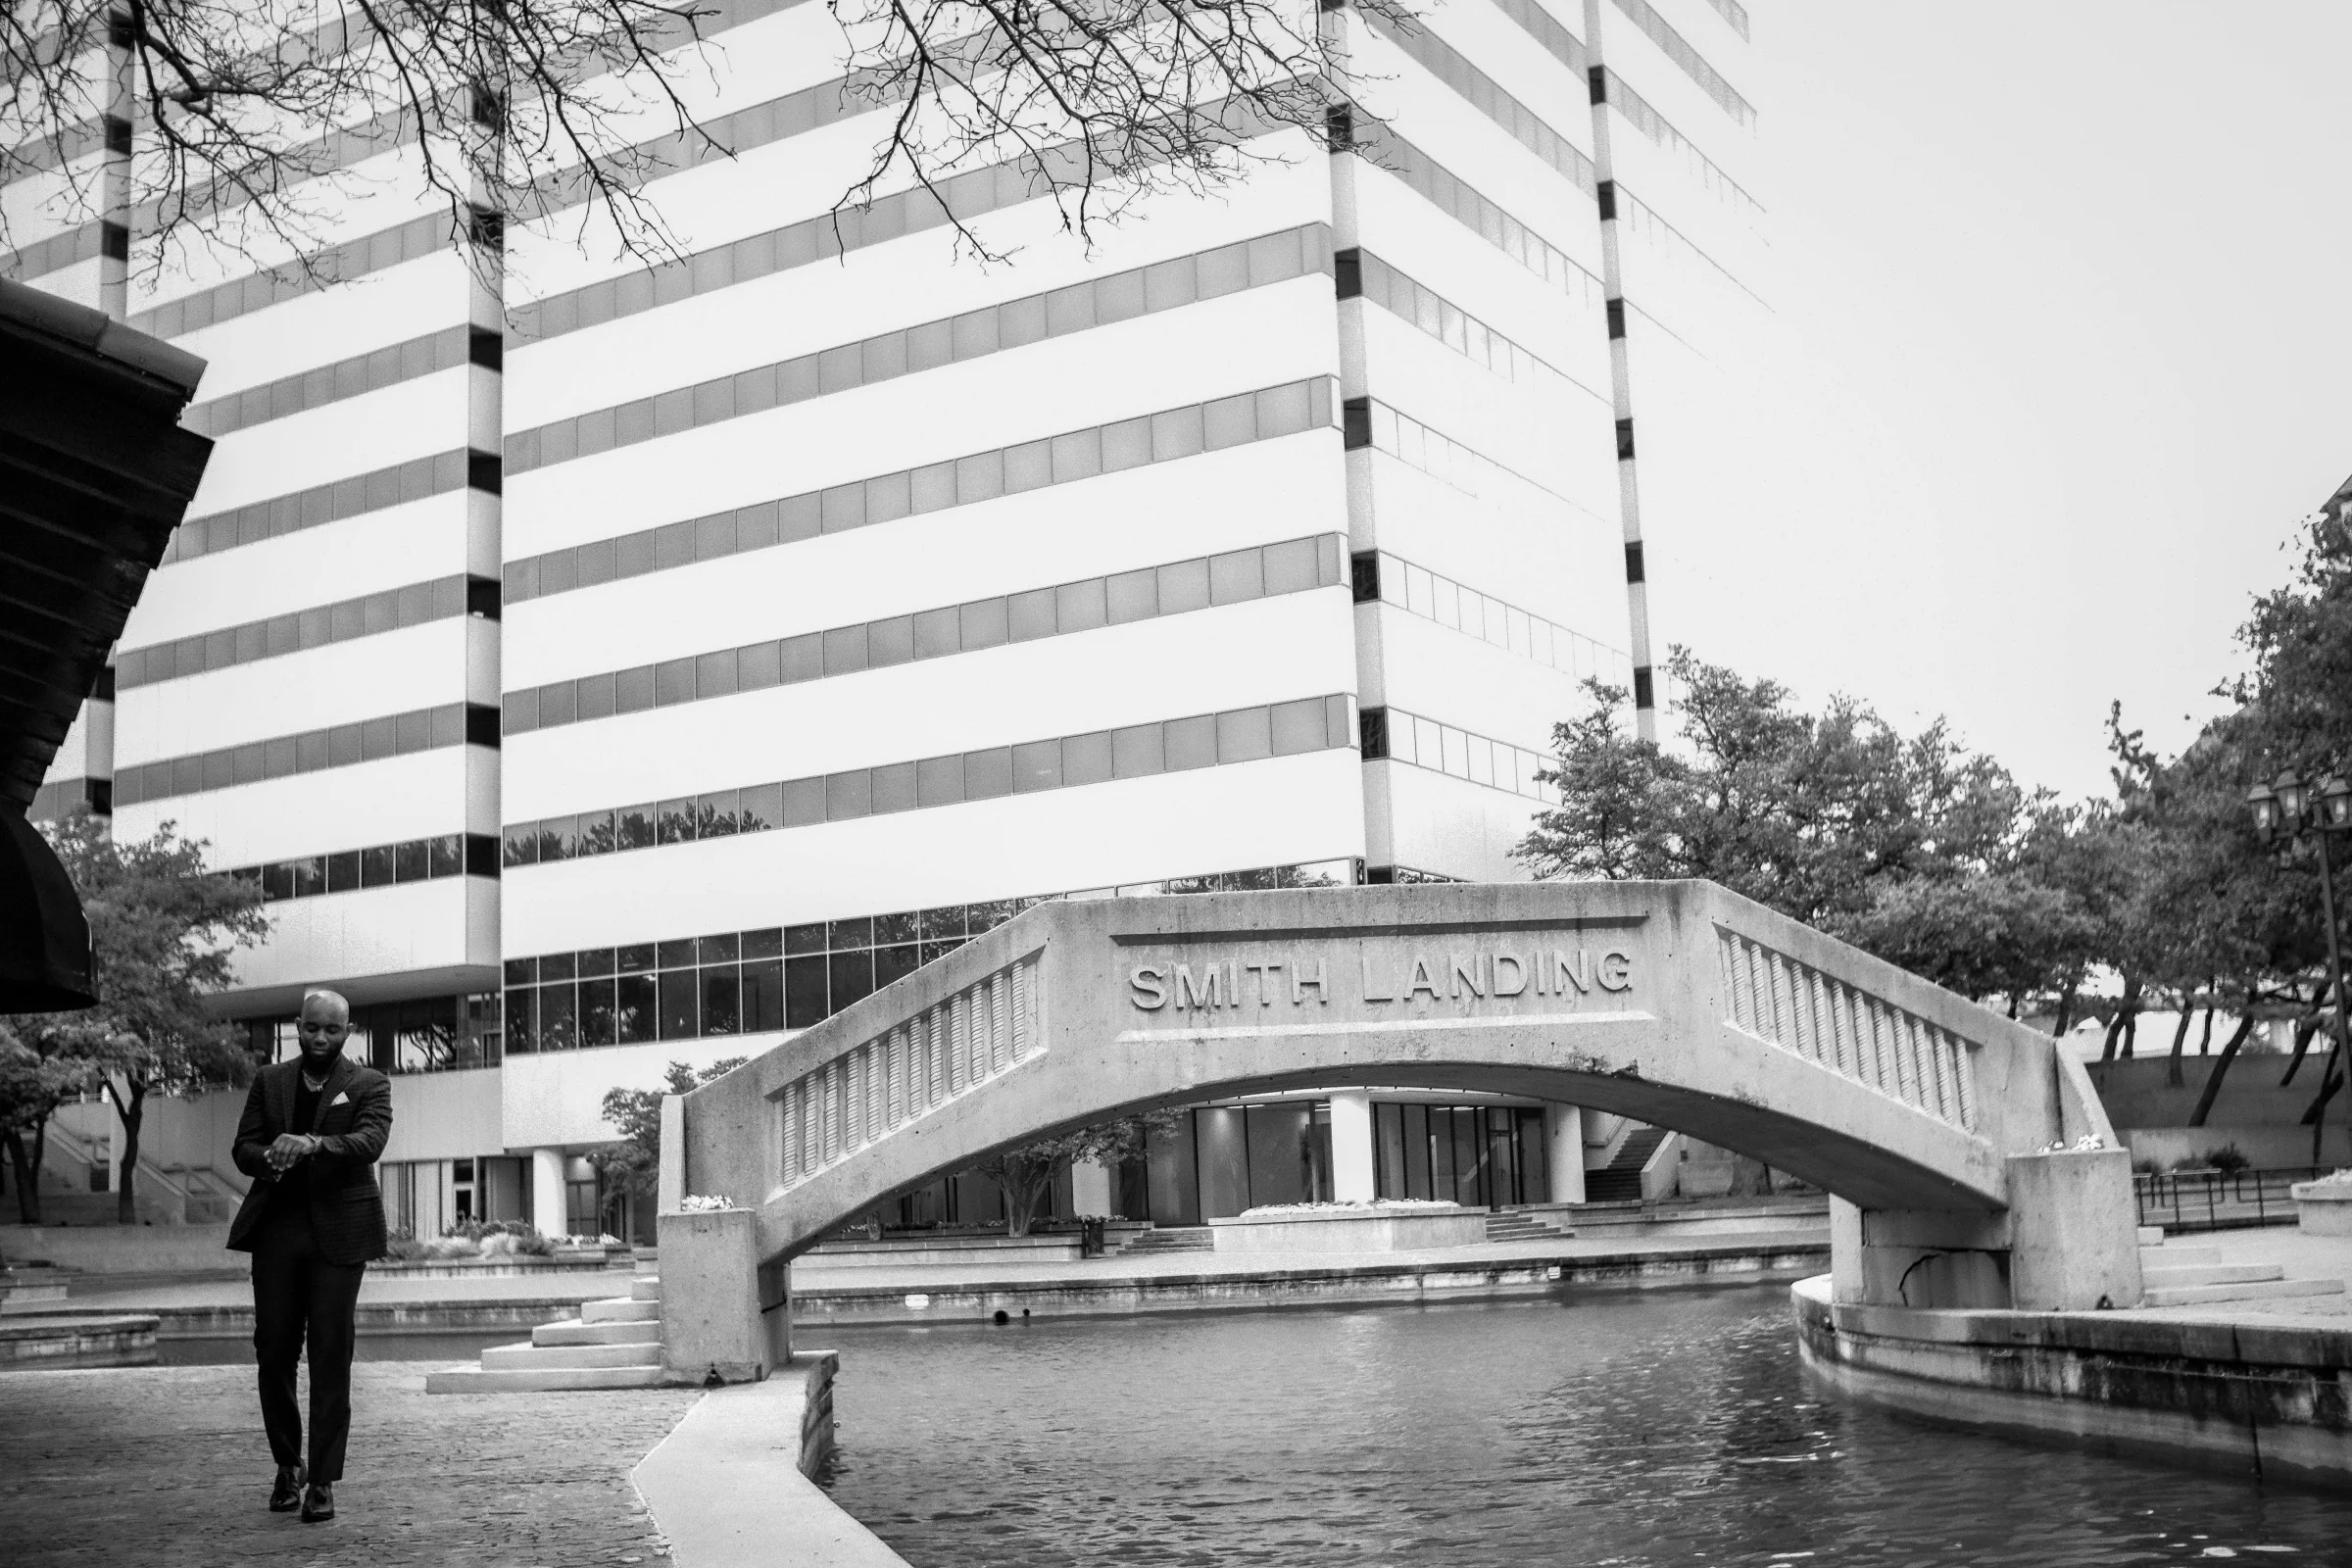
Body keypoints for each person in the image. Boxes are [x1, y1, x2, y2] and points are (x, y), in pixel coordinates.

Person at [225, 989, 393, 1524]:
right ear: (297, 1026)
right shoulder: (269, 1080)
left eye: (333, 1031)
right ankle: (286, 1465)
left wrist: (314, 1143)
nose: (321, 1038)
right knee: (273, 1351)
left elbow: (370, 1142)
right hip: (276, 1231)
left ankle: (321, 1479)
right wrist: (271, 1155)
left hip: (339, 1237)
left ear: (349, 1031)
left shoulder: (369, 1084)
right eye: (312, 1028)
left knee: (329, 1354)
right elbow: (243, 1147)